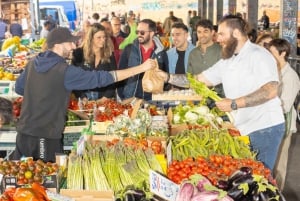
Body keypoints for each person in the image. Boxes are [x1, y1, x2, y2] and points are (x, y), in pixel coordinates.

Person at [158, 15, 285, 171]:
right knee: (248, 175)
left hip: (265, 126)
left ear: (236, 33)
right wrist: (168, 77)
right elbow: (199, 79)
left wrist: (233, 103)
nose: (218, 39)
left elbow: (270, 90)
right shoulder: (228, 60)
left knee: (261, 176)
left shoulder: (259, 55)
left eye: (222, 34)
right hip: (244, 126)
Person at [12, 27, 156, 162]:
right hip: (45, 137)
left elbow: (19, 88)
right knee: (48, 179)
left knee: (20, 180)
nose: (74, 47)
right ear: (57, 45)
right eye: (70, 43)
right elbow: (101, 79)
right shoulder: (64, 71)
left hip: (23, 133)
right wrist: (141, 68)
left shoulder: (32, 64)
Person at [268, 38, 300, 190]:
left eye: (272, 52)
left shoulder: (291, 77)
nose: (269, 55)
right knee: (270, 163)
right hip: (270, 123)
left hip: (283, 126)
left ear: (283, 53)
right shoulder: (273, 71)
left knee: (279, 164)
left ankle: (277, 194)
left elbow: (285, 106)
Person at [118, 19, 169, 101]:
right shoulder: (129, 50)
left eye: (142, 32)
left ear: (152, 33)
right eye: (137, 32)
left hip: (153, 100)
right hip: (130, 99)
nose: (139, 35)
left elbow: (165, 78)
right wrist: (123, 96)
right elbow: (120, 74)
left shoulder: (161, 53)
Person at [72, 23, 117, 101]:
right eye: (99, 37)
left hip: (104, 99)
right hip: (83, 98)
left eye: (104, 37)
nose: (103, 40)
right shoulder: (78, 53)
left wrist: (105, 97)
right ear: (91, 38)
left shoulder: (109, 54)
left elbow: (114, 77)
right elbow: (74, 78)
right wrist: (82, 97)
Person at [187, 19, 224, 97]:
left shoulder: (222, 52)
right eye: (199, 32)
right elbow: (189, 78)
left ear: (212, 32)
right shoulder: (193, 54)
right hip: (197, 100)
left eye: (205, 31)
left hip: (219, 100)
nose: (202, 35)